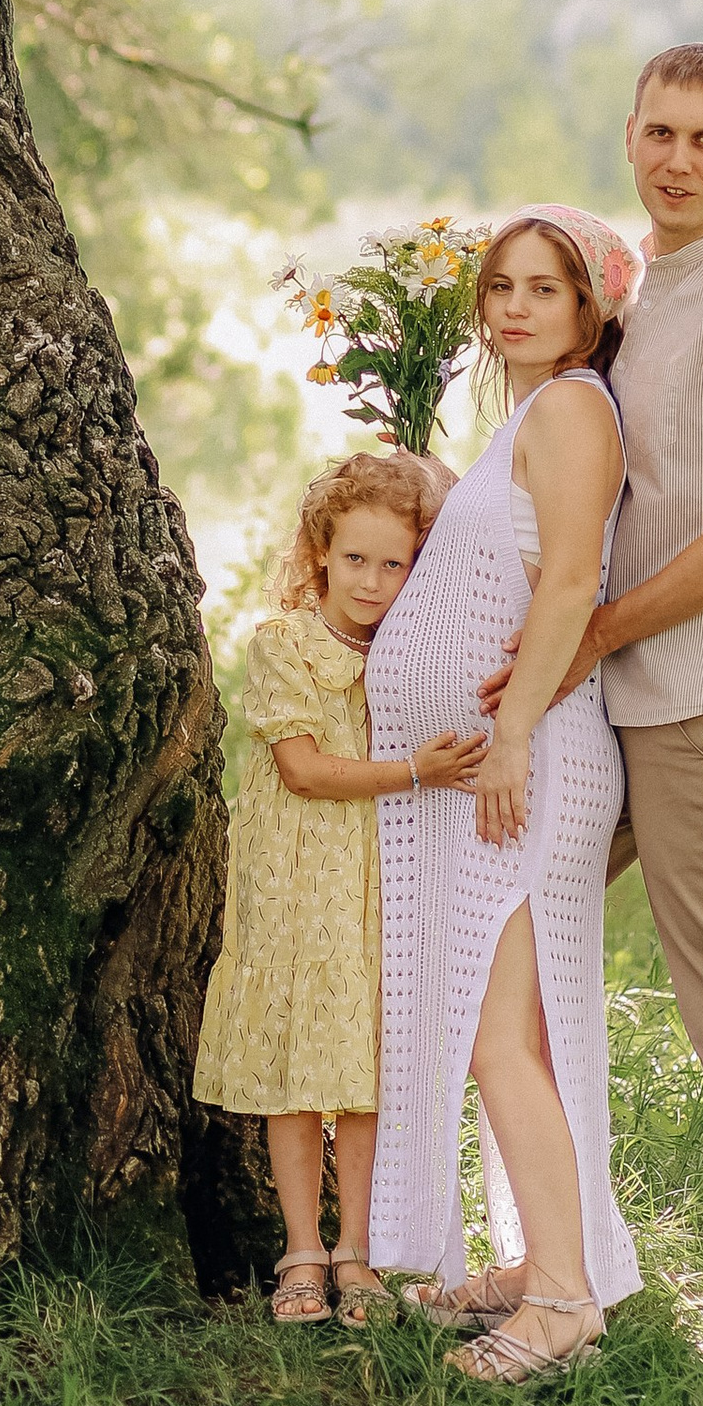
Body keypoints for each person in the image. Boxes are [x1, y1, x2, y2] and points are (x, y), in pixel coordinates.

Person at [488, 42, 703, 1405]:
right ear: (629, 139)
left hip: (699, 705)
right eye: (658, 133)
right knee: (502, 943)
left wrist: (598, 633)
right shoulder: (648, 296)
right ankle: (541, 1264)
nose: (678, 158)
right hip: (615, 699)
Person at [367, 206, 643, 1385]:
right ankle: (543, 1264)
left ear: (591, 308)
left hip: (526, 760)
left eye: (547, 287)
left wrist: (515, 732)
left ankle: (565, 1302)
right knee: (519, 1032)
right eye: (502, 287)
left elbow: (575, 579)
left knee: (498, 1039)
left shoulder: (575, 408)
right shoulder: (528, 416)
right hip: (503, 754)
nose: (518, 306)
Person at [192, 450, 486, 1327]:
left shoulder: (406, 651)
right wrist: (415, 772)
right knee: (295, 1074)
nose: (371, 580)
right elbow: (306, 771)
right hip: (294, 887)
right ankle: (302, 1251)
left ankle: (355, 1249)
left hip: (378, 888)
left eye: (393, 564)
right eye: (354, 559)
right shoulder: (283, 643)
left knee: (362, 1072)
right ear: (319, 553)